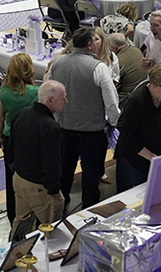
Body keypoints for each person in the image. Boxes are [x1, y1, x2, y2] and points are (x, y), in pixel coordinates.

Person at [48, 28, 120, 209]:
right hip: (92, 132)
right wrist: (113, 122)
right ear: (89, 45)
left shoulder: (58, 62)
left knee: (65, 171)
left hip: (64, 128)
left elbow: (48, 91)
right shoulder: (99, 68)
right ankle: (89, 210)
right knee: (91, 174)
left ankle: (60, 207)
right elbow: (111, 102)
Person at [8, 80, 67, 234]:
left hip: (20, 180)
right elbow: (52, 163)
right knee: (51, 230)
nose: (66, 102)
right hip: (39, 188)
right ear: (51, 101)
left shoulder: (22, 114)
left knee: (21, 226)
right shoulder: (50, 126)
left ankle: (16, 255)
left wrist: (16, 169)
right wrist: (53, 189)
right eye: (63, 98)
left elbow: (10, 147)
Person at [115, 64, 161, 191]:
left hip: (158, 158)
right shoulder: (137, 101)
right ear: (154, 84)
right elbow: (127, 137)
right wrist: (151, 157)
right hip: (135, 161)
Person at [0, 53, 40, 224]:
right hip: (30, 140)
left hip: (10, 138)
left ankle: (13, 214)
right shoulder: (36, 92)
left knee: (11, 179)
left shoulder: (4, 90)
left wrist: (1, 137)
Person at [108, 33, 147, 104]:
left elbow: (114, 86)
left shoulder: (117, 61)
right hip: (143, 92)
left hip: (127, 97)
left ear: (114, 48)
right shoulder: (137, 50)